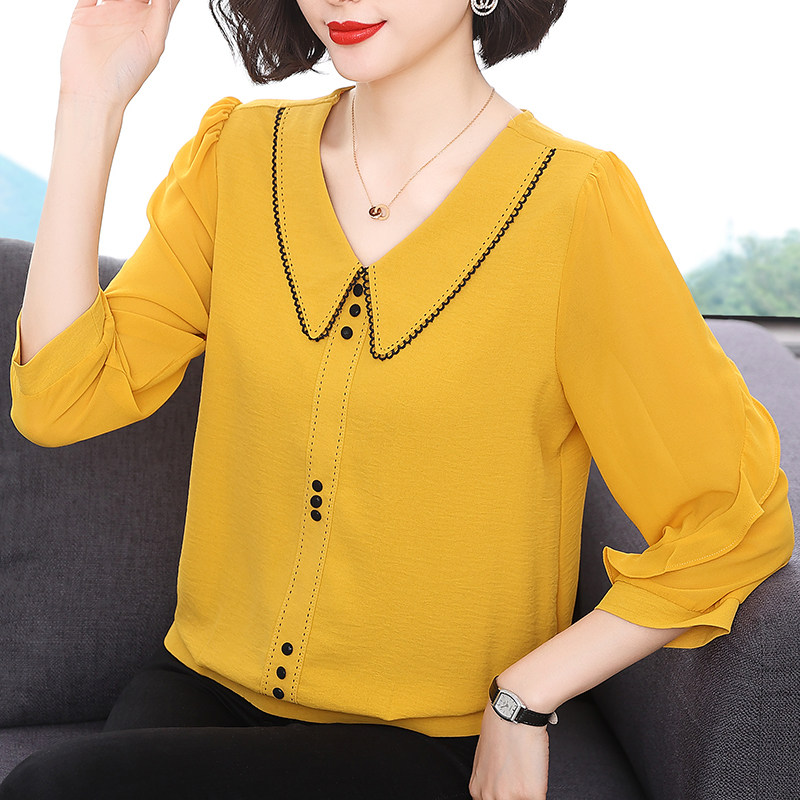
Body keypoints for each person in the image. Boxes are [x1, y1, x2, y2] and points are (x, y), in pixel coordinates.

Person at [1, 0, 794, 797]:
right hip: (198, 693)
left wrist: (527, 693)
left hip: (419, 743)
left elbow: (734, 516)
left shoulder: (574, 206)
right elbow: (63, 398)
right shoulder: (237, 157)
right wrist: (90, 101)